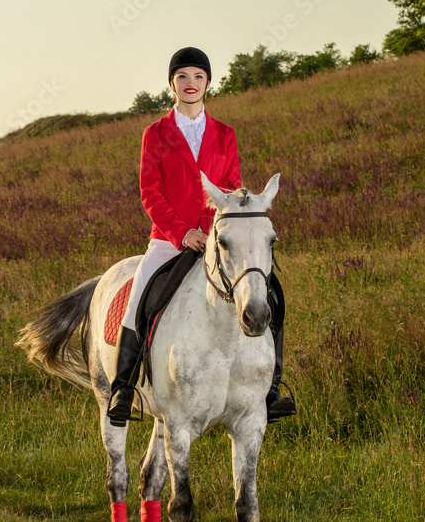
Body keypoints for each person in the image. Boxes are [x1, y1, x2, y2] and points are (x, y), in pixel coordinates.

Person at [107, 46, 296, 426]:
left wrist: (212, 230)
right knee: (139, 297)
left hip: (216, 237)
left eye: (198, 76)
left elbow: (230, 188)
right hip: (168, 239)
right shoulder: (155, 134)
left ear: (208, 82)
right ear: (172, 84)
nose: (190, 83)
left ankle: (272, 387)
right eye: (182, 77)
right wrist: (181, 232)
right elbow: (150, 192)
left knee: (270, 290)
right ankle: (123, 388)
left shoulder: (225, 134)